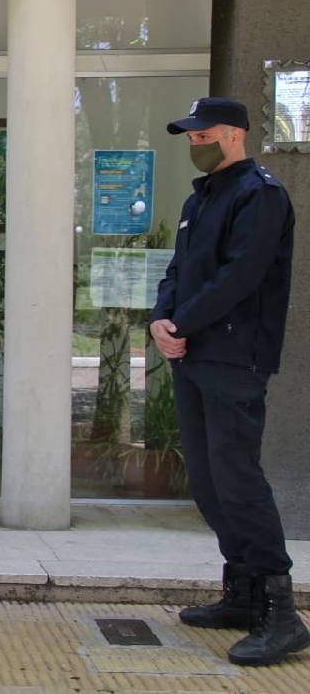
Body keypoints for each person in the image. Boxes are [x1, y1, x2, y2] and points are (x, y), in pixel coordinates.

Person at [152, 97, 305, 666]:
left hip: (234, 357)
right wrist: (161, 319)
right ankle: (241, 595)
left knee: (238, 477)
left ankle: (281, 612)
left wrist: (182, 322)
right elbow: (179, 270)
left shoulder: (259, 195)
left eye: (205, 135)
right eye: (191, 138)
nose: (196, 145)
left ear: (236, 135)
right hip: (193, 353)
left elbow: (239, 275)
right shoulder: (204, 197)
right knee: (210, 481)